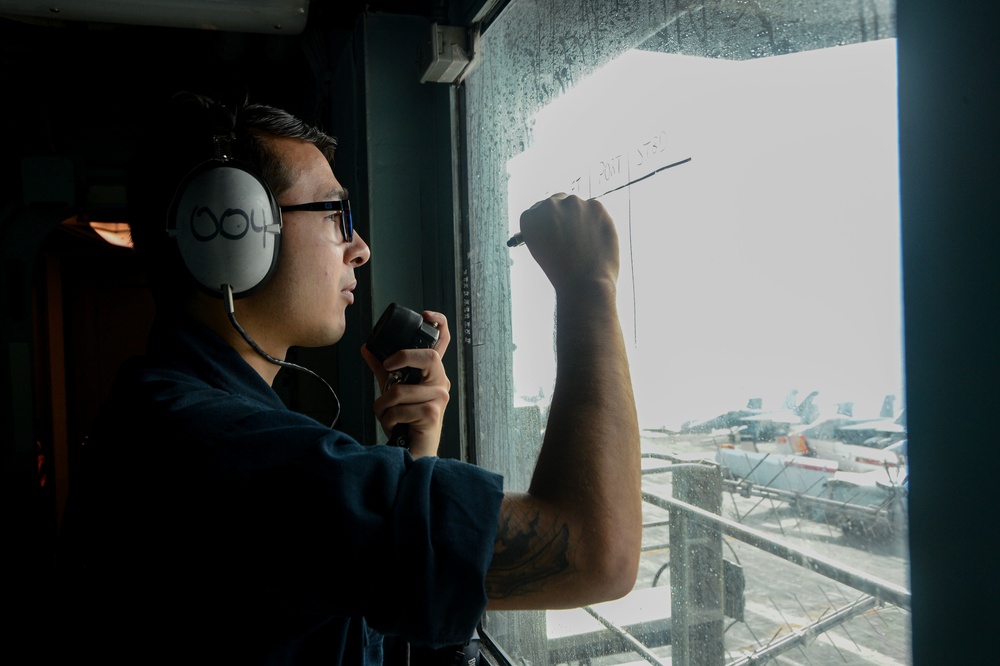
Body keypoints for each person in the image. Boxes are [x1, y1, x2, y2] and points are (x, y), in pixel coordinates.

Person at [56, 92, 641, 665]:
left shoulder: (173, 415)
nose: (359, 249)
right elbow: (597, 551)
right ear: (231, 230)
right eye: (336, 215)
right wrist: (588, 285)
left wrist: (415, 459)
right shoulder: (219, 457)